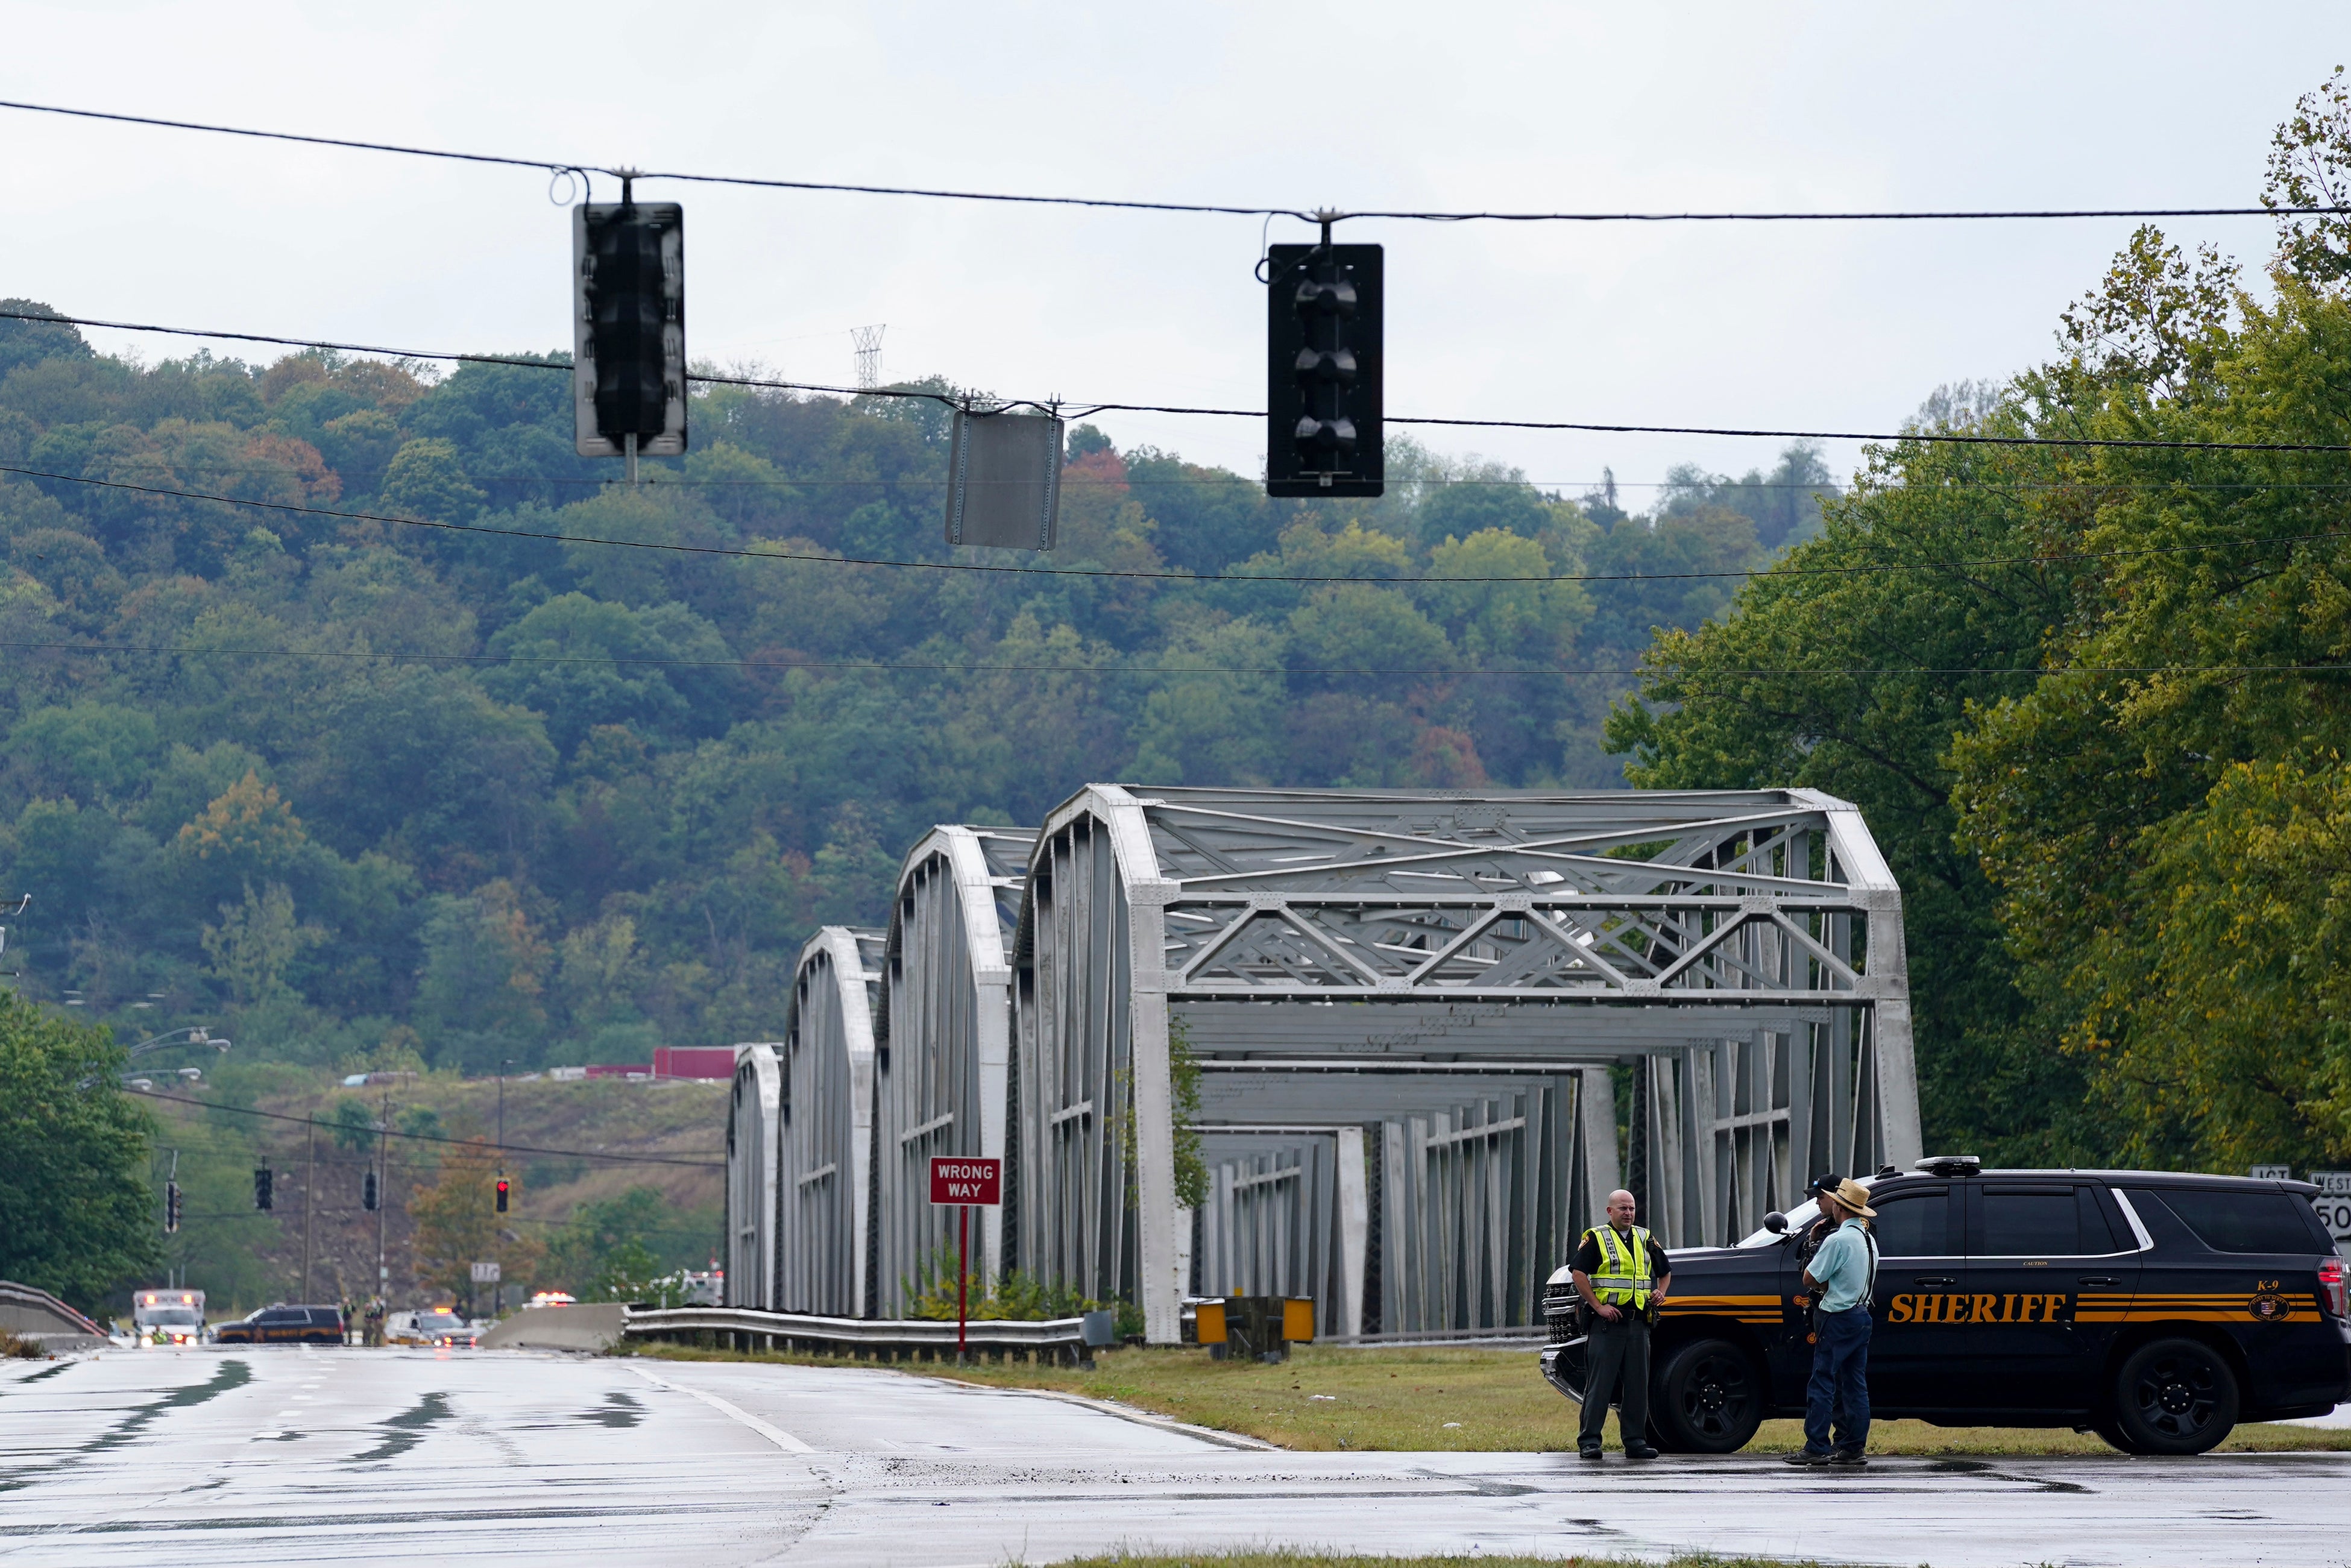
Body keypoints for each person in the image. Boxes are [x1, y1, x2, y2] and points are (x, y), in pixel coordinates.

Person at [1569, 1188, 1671, 1460]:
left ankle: (1636, 1441)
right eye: (1623, 1209)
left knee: (1638, 1386)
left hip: (1639, 1323)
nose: (1629, 1213)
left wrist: (1661, 1291)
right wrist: (1597, 1306)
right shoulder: (1596, 1237)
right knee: (1600, 1385)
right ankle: (1590, 1441)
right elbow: (1578, 1272)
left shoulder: (1645, 1237)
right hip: (1607, 1325)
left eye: (1632, 1209)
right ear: (1610, 1211)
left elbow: (1665, 1270)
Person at [1785, 1177, 1880, 1467]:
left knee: (1823, 1380)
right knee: (1855, 1384)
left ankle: (1816, 1446)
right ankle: (1853, 1447)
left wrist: (1815, 1248)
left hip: (1836, 1316)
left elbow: (1809, 1278)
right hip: (1862, 1314)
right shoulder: (1868, 1240)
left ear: (1839, 1206)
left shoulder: (1837, 1240)